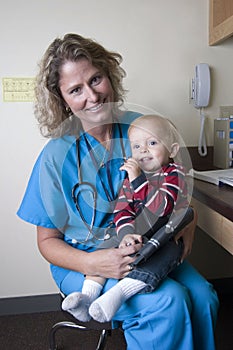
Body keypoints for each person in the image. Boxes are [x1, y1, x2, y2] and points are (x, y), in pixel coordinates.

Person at [17, 33, 219, 350]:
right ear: (62, 99)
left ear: (109, 75)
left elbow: (175, 184)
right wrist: (92, 264)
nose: (92, 96)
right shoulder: (56, 156)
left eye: (95, 79)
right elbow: (47, 242)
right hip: (83, 262)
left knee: (204, 298)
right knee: (167, 303)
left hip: (150, 247)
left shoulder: (145, 129)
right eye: (75, 90)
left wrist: (189, 223)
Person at [62, 114, 189, 323]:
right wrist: (127, 235)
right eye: (136, 146)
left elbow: (162, 208)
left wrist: (138, 180)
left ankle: (117, 295)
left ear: (172, 150)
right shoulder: (131, 179)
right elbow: (122, 210)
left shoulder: (174, 174)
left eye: (152, 143)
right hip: (136, 235)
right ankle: (87, 298)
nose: (143, 150)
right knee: (106, 248)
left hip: (163, 237)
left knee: (165, 255)